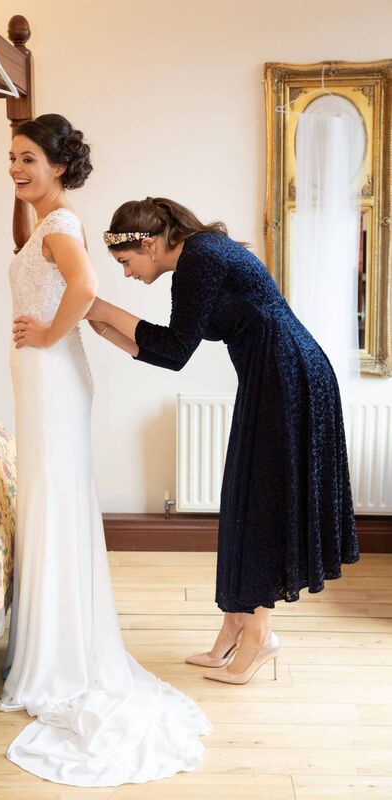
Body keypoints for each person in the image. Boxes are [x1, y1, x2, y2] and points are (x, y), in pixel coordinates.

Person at [0, 119, 210, 787]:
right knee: (50, 496)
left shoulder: (60, 223)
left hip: (53, 378)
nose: (16, 169)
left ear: (58, 166)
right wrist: (47, 338)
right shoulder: (45, 221)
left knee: (55, 496)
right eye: (11, 159)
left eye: (27, 158)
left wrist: (48, 335)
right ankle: (52, 642)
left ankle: (60, 656)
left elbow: (84, 290)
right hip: (46, 380)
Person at [85, 196, 360, 685]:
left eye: (126, 263)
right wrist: (105, 327)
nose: (126, 274)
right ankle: (234, 626)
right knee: (240, 499)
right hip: (273, 376)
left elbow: (174, 348)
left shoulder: (201, 257)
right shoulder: (199, 256)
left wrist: (102, 307)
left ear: (149, 244)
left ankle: (260, 636)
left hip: (288, 377)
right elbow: (171, 353)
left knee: (260, 505)